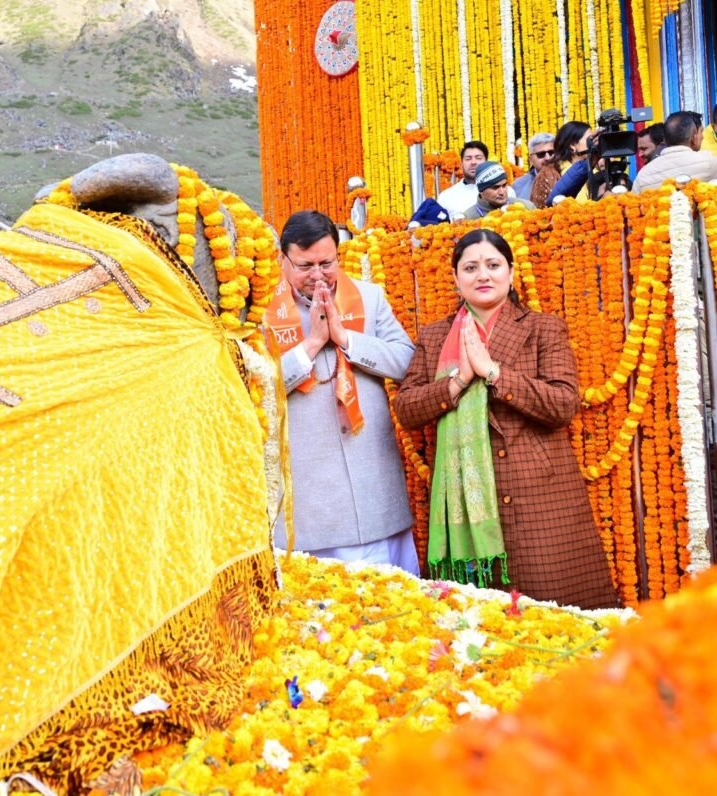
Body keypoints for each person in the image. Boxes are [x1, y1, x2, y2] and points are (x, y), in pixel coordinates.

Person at [394, 229, 618, 608]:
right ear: (456, 278)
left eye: (493, 265)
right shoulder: (435, 337)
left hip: (538, 499)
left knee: (555, 615)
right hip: (465, 504)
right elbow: (407, 409)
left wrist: (493, 372)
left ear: (511, 273)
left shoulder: (541, 328)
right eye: (471, 268)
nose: (483, 275)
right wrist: (458, 381)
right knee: (479, 620)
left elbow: (563, 404)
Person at [265, 210, 418, 570]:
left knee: (395, 591)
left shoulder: (369, 297)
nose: (318, 275)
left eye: (327, 263)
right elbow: (252, 387)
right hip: (309, 491)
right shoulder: (262, 310)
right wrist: (312, 345)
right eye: (305, 266)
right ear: (283, 259)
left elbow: (406, 361)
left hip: (371, 478)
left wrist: (346, 339)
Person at [632, 110, 717, 194]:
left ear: (665, 139)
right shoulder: (711, 162)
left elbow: (632, 201)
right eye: (701, 131)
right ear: (694, 138)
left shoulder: (643, 175)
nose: (703, 136)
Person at [530, 121, 591, 207]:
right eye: (589, 140)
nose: (593, 143)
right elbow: (542, 211)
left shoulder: (594, 168)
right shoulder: (548, 174)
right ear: (573, 146)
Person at [461, 161, 535, 218]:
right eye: (495, 187)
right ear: (481, 190)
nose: (502, 192)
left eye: (504, 185)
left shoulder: (527, 208)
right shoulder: (468, 218)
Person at [512, 133, 555, 201]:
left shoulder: (567, 178)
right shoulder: (519, 185)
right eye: (541, 154)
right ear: (531, 159)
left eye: (551, 152)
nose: (547, 158)